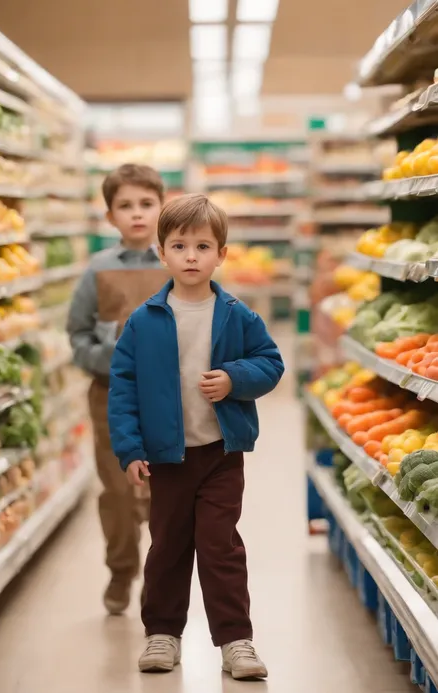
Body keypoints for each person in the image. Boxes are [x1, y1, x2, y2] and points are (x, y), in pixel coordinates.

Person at [108, 193, 285, 680]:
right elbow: (123, 388)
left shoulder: (237, 315)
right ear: (161, 253)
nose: (191, 256)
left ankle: (235, 640)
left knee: (220, 545)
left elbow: (271, 364)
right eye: (180, 245)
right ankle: (162, 633)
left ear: (221, 254)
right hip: (167, 458)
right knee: (167, 546)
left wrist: (233, 378)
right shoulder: (144, 321)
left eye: (203, 246)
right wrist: (130, 449)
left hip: (220, 456)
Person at [67, 163, 168, 615]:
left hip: (170, 402)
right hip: (111, 396)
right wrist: (106, 360)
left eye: (146, 204)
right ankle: (121, 568)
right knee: (119, 491)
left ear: (162, 208)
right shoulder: (98, 270)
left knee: (166, 492)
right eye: (125, 206)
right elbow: (77, 332)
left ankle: (158, 578)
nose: (137, 214)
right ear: (110, 217)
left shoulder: (176, 262)